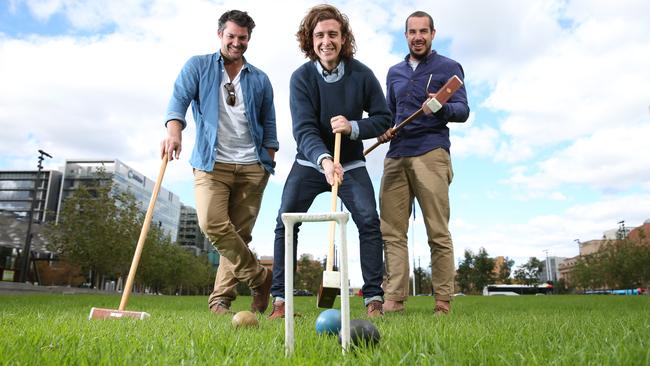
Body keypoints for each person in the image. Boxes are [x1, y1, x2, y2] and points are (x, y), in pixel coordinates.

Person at [268, 4, 391, 319]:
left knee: (368, 220)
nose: (326, 41)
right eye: (319, 35)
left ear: (343, 37)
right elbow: (304, 129)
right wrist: (324, 161)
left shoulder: (362, 75)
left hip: (350, 163)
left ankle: (374, 298)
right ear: (310, 40)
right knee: (286, 220)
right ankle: (281, 301)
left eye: (333, 34)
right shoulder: (302, 78)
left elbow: (382, 118)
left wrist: (354, 128)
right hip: (311, 163)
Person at [161, 10, 277, 315]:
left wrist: (269, 155)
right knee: (212, 223)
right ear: (219, 35)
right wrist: (174, 133)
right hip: (212, 163)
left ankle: (220, 302)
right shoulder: (198, 66)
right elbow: (178, 102)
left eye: (243, 38)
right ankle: (260, 278)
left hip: (253, 166)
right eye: (231, 36)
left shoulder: (260, 79)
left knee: (238, 235)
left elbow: (269, 121)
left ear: (249, 38)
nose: (237, 43)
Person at [379, 11, 469, 315]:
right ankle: (395, 298)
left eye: (423, 31)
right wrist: (387, 128)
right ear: (405, 35)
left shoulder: (449, 68)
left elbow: (463, 110)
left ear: (433, 33)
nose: (418, 36)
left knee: (437, 230)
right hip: (396, 154)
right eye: (412, 31)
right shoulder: (394, 72)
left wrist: (441, 108)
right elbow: (390, 112)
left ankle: (442, 300)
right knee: (391, 231)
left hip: (431, 152)